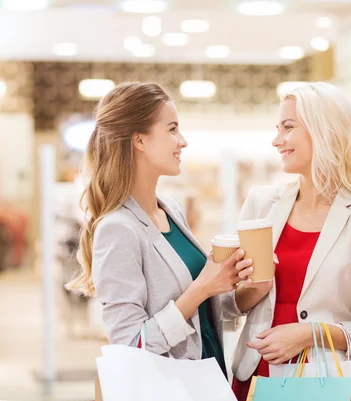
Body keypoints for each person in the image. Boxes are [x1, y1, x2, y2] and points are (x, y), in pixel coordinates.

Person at [221, 82, 351, 400]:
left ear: (325, 131)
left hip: (321, 382)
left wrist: (312, 334)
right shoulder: (261, 203)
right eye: (277, 128)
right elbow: (224, 306)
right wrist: (250, 291)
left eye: (288, 127)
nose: (276, 140)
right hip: (253, 376)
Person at [66, 82, 252, 377]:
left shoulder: (171, 210)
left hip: (210, 378)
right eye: (172, 129)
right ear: (139, 140)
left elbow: (204, 310)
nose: (183, 141)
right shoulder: (118, 229)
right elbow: (129, 346)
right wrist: (202, 287)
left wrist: (246, 282)